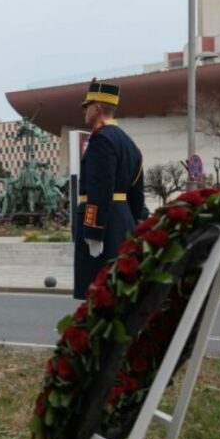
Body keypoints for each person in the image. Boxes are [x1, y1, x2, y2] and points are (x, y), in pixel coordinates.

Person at [73, 80, 145, 299]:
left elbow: (100, 188)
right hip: (121, 221)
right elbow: (137, 191)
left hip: (103, 223)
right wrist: (133, 226)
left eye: (87, 106)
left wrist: (94, 230)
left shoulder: (101, 140)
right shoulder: (128, 143)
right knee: (117, 289)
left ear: (97, 108)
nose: (84, 111)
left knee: (99, 292)